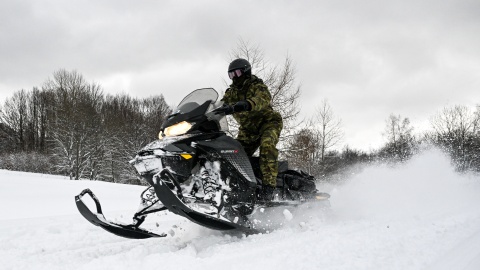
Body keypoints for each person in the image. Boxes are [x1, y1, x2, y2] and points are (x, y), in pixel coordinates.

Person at [217, 58, 283, 200]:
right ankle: (240, 189)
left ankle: (269, 188)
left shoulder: (256, 85)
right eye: (231, 75)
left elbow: (263, 98)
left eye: (237, 73)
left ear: (246, 72)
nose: (234, 77)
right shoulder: (231, 92)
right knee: (234, 154)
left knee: (267, 145)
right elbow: (219, 105)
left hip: (268, 123)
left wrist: (246, 104)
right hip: (248, 129)